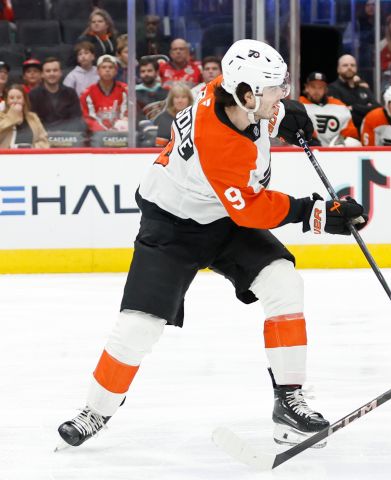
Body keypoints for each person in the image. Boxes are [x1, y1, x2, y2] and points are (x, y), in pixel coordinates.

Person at [56, 39, 367, 450]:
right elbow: (251, 211)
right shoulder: (220, 144)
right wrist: (318, 213)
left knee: (283, 282)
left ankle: (288, 403)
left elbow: (252, 115)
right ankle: (95, 410)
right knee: (138, 327)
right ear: (247, 94)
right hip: (173, 227)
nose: (284, 95)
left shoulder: (232, 92)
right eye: (276, 90)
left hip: (219, 215)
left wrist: (282, 116)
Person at [299, 72, 360, 146]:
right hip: (307, 150)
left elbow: (351, 134)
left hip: (335, 151)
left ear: (325, 89)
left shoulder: (339, 106)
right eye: (313, 87)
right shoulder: (299, 104)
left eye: (320, 87)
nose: (316, 91)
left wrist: (341, 140)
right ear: (306, 88)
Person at [28, 58, 84, 131]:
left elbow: (76, 119)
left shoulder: (70, 93)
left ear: (60, 73)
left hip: (67, 136)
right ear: (42, 74)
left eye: (55, 70)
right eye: (48, 71)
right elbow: (32, 121)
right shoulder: (33, 95)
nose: (52, 74)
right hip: (42, 136)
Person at [327, 54, 380, 131]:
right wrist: (366, 108)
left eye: (352, 65)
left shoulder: (362, 87)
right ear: (338, 69)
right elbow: (341, 112)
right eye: (345, 65)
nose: (349, 68)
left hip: (366, 132)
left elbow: (377, 108)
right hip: (344, 133)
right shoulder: (332, 88)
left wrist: (354, 107)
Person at [80, 55, 127, 134]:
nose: (107, 70)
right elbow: (88, 119)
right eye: (104, 67)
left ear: (116, 71)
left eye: (111, 67)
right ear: (97, 71)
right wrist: (103, 132)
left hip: (120, 134)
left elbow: (127, 114)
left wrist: (118, 128)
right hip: (97, 136)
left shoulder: (124, 90)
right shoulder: (87, 93)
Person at [153, 82, 193, 146]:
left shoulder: (196, 117)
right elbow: (159, 147)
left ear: (189, 99)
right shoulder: (162, 119)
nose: (180, 100)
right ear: (172, 100)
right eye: (177, 97)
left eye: (184, 97)